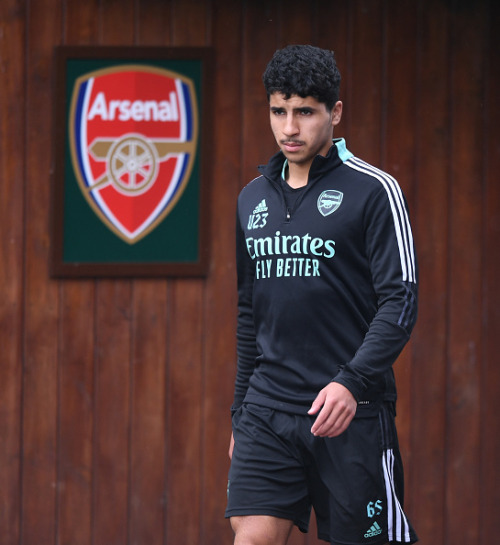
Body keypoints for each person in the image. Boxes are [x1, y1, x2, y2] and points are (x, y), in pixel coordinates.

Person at [225, 44, 418, 545]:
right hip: (267, 412)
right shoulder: (252, 199)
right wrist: (240, 412)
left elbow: (400, 302)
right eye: (279, 111)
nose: (289, 127)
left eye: (305, 112)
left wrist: (352, 383)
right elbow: (250, 314)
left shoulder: (374, 191)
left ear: (334, 112)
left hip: (348, 412)